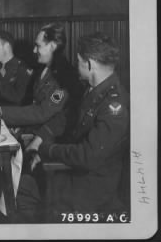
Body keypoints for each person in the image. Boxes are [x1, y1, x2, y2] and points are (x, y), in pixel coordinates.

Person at [21, 32, 129, 221]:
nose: (76, 65)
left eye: (79, 61)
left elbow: (88, 156)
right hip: (75, 172)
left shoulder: (115, 106)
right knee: (19, 184)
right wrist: (41, 139)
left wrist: (46, 150)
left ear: (90, 64)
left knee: (20, 192)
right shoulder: (94, 89)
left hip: (90, 188)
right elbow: (68, 118)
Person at [0, 23, 83, 146]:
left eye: (38, 46)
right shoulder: (43, 69)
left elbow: (42, 113)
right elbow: (31, 103)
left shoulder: (64, 76)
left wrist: (1, 111)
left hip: (50, 140)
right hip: (32, 130)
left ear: (52, 46)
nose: (34, 50)